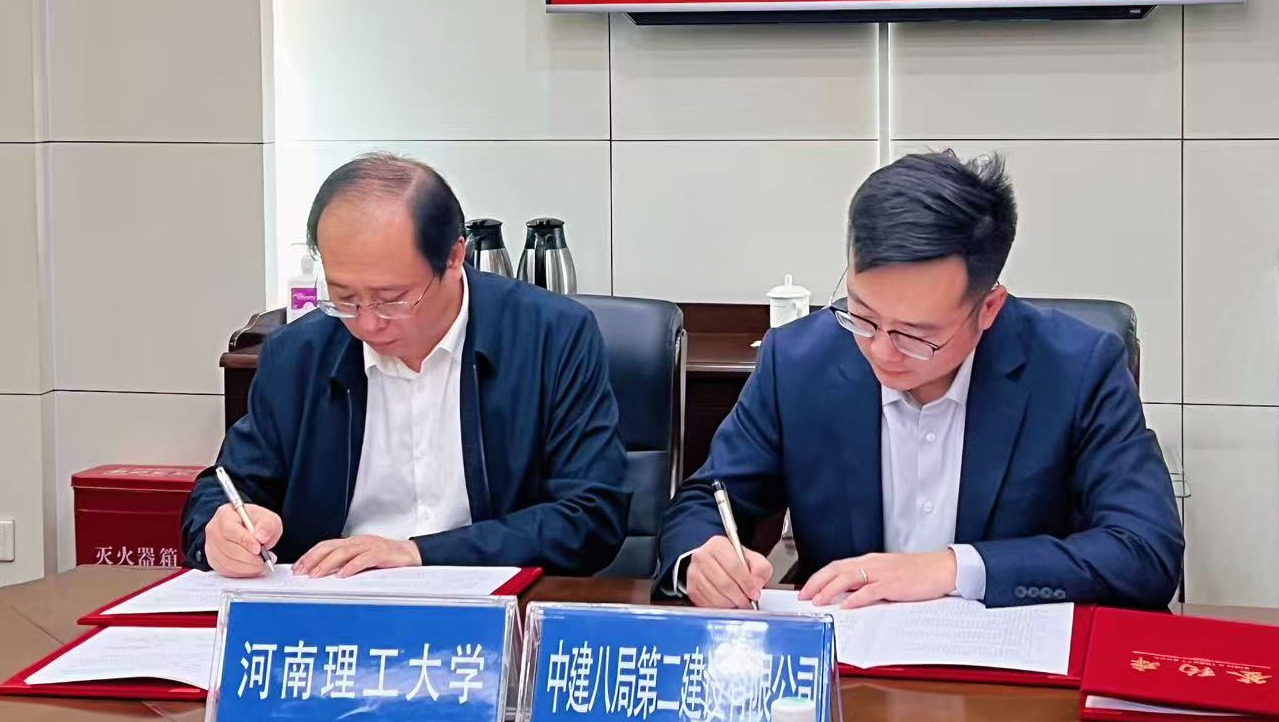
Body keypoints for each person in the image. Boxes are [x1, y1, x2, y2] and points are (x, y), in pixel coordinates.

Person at [657, 150, 1182, 610]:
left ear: (989, 308)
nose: (882, 350)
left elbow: (1146, 550)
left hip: (1010, 671)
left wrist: (952, 569)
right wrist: (701, 559)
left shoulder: (1076, 369)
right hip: (849, 667)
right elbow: (706, 500)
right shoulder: (799, 361)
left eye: (916, 335)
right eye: (863, 315)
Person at [181, 153, 629, 578]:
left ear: (454, 257)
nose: (367, 323)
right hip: (335, 608)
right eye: (344, 297)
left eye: (392, 299)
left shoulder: (550, 337)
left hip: (493, 608)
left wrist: (419, 553)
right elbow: (225, 489)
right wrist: (220, 532)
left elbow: (590, 516)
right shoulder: (299, 354)